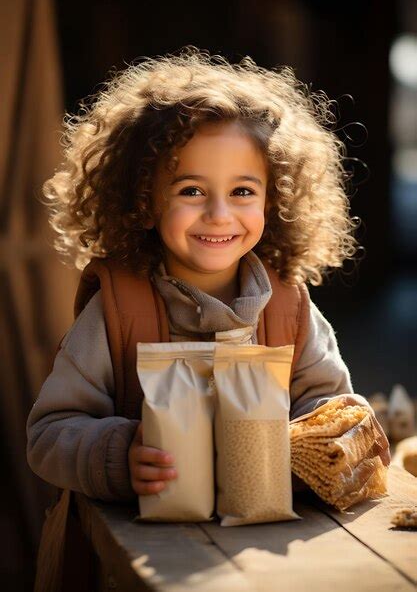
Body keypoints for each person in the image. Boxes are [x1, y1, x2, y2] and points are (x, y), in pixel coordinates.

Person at [26, 46, 390, 505]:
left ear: (272, 201)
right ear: (142, 199)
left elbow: (327, 407)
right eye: (191, 190)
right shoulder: (118, 312)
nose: (219, 215)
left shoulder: (288, 307)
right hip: (146, 555)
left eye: (242, 191)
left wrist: (331, 436)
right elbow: (49, 436)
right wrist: (119, 455)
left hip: (275, 550)